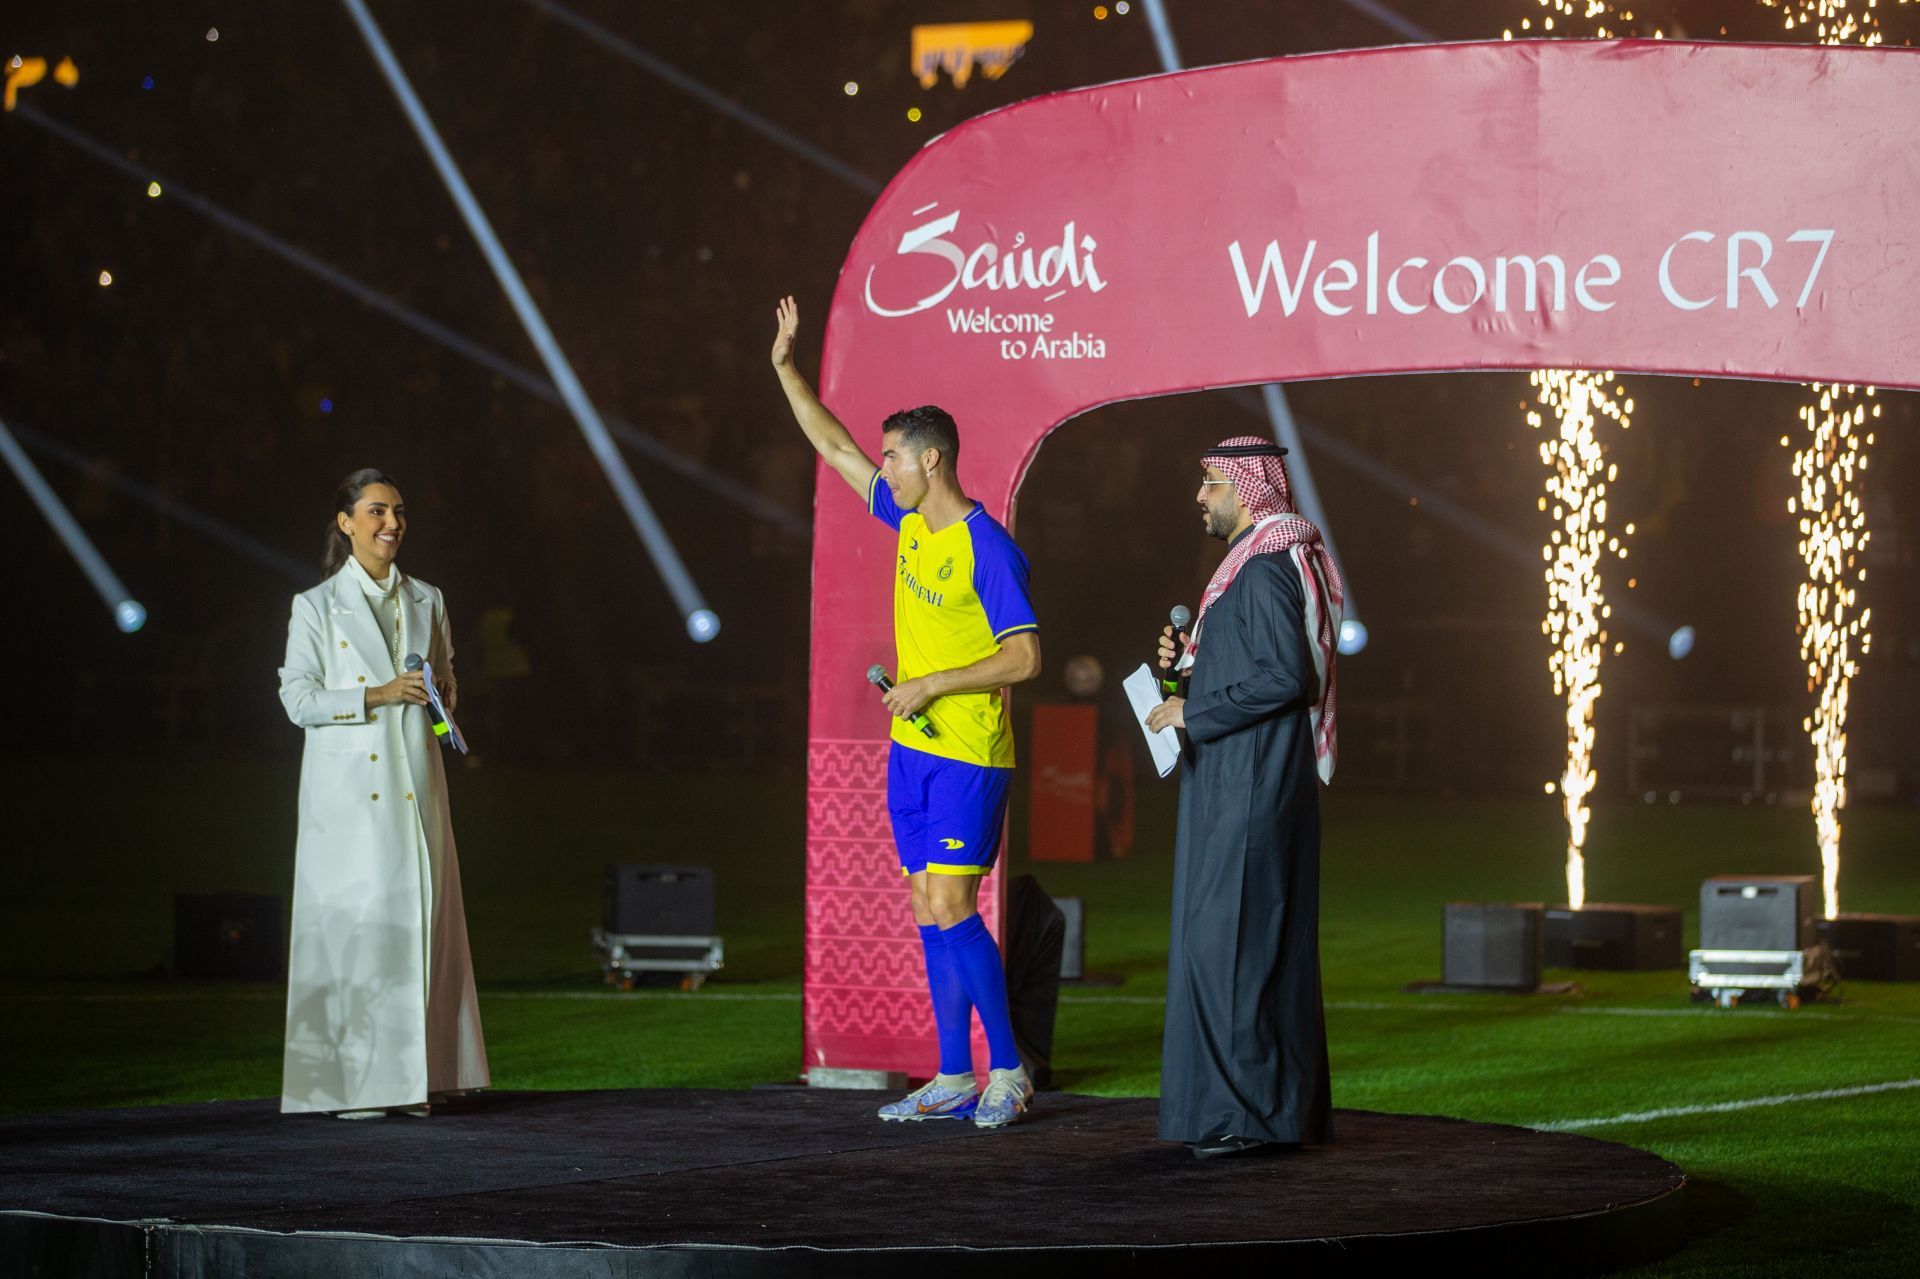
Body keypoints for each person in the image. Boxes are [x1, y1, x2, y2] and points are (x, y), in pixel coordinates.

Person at [770, 296, 1043, 1128]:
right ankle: (953, 1073)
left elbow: (1025, 656)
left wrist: (931, 684)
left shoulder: (985, 547)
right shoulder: (908, 521)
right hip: (912, 752)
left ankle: (1010, 1067)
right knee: (928, 905)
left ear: (932, 460)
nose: (881, 468)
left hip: (967, 751)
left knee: (954, 906)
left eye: (894, 458)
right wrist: (784, 365)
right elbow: (832, 444)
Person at [1144, 436, 1344, 1158]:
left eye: (1210, 485)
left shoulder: (1262, 571)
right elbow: (1251, 669)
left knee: (1227, 947)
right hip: (1241, 780)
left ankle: (1240, 1116)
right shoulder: (1253, 568)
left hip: (1250, 786)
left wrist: (1190, 714)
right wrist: (1183, 679)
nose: (1200, 498)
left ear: (1246, 488)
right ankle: (1271, 1113)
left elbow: (1283, 679)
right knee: (1255, 948)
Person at [276, 468, 489, 1118]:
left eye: (397, 511)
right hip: (348, 795)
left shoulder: (428, 597)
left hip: (417, 783)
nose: (391, 523)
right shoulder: (314, 604)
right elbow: (297, 699)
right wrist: (375, 693)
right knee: (361, 931)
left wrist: (445, 695)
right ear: (345, 523)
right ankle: (356, 1086)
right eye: (375, 512)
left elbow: (445, 675)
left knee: (422, 922)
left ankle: (423, 1077)